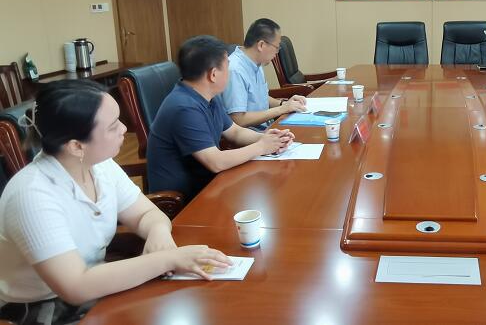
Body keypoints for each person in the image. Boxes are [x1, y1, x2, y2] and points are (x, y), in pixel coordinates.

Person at [0, 80, 231, 323]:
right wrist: (167, 259)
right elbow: (75, 286)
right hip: (41, 308)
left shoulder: (99, 166)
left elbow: (147, 214)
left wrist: (158, 233)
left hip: (96, 282)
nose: (124, 129)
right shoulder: (32, 195)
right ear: (76, 146)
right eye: (113, 127)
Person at [147, 35, 295, 201]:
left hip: (210, 186)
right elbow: (215, 162)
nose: (229, 72)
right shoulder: (184, 107)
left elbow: (235, 132)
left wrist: (271, 139)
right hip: (184, 201)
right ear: (213, 74)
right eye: (227, 67)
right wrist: (262, 147)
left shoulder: (208, 95)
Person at [221, 18, 307, 130]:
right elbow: (239, 120)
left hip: (267, 128)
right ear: (261, 45)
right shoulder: (235, 70)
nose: (277, 53)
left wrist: (284, 104)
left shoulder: (256, 62)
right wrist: (281, 110)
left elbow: (261, 98)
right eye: (276, 48)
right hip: (251, 135)